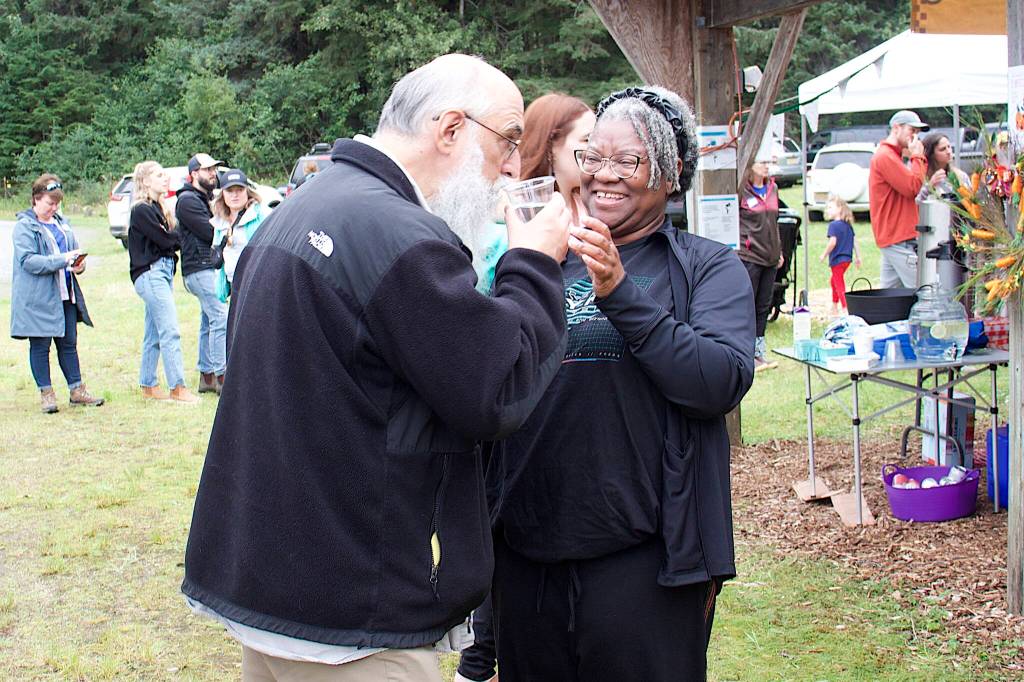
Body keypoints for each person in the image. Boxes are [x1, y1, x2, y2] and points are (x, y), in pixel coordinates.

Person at [182, 53, 573, 681]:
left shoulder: (307, 203)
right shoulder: (399, 235)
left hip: (275, 583)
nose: (511, 165)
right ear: (450, 129)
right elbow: (497, 387)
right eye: (507, 140)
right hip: (354, 617)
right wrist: (534, 263)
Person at [485, 86, 754, 682]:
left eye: (627, 161)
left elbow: (718, 382)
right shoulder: (543, 259)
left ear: (670, 172)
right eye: (591, 157)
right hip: (528, 557)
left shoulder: (705, 266)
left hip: (645, 563)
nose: (603, 176)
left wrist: (620, 293)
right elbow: (492, 386)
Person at [10, 174, 104, 413]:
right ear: (35, 199)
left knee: (69, 344)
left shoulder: (62, 223)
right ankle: (47, 394)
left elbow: (71, 254)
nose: (54, 207)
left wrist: (78, 265)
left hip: (66, 294)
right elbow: (28, 261)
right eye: (49, 203)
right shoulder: (25, 226)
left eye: (56, 203)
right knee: (40, 346)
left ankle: (77, 390)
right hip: (39, 298)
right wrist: (61, 261)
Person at [128, 161, 199, 405]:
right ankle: (178, 387)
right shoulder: (142, 210)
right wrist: (174, 237)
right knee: (170, 330)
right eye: (159, 175)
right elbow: (167, 239)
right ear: (145, 181)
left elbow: (171, 237)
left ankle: (148, 383)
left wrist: (172, 237)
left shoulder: (160, 209)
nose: (165, 179)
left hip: (161, 272)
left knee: (154, 333)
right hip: (151, 273)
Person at [175, 152, 227, 394]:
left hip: (204, 266)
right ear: (194, 173)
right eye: (207, 170)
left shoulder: (201, 198)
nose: (212, 174)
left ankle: (206, 376)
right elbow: (210, 233)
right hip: (199, 267)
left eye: (214, 170)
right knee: (220, 316)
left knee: (208, 319)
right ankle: (222, 375)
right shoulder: (187, 200)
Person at [868, 110, 932, 288]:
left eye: (917, 133)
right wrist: (917, 157)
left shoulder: (891, 155)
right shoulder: (885, 156)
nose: (915, 137)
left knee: (891, 296)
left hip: (894, 236)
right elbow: (912, 187)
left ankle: (883, 316)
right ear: (896, 128)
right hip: (898, 237)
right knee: (924, 289)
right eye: (912, 130)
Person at [519, 92, 596, 225]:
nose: (597, 150)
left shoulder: (589, 206)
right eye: (587, 139)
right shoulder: (520, 213)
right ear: (550, 145)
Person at [738, 154, 783, 372]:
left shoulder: (773, 188)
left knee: (763, 306)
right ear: (751, 165)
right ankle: (744, 353)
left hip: (771, 256)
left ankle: (758, 352)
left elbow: (775, 222)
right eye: (762, 162)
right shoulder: (742, 190)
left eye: (768, 163)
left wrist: (780, 249)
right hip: (749, 256)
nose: (766, 167)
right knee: (747, 303)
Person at [210, 169, 271, 305]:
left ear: (247, 191)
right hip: (234, 285)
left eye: (239, 190)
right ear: (223, 194)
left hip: (258, 285)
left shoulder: (262, 215)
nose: (235, 195)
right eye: (230, 191)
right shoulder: (219, 222)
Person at [820, 196, 861, 315]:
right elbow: (854, 241)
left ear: (839, 209)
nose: (828, 209)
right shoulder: (847, 225)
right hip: (847, 259)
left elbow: (832, 242)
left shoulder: (833, 225)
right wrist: (858, 257)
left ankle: (845, 308)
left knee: (839, 283)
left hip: (837, 260)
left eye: (831, 207)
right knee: (834, 281)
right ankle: (834, 305)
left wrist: (824, 254)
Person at [917, 132, 970, 202]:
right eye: (942, 149)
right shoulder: (920, 178)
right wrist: (929, 186)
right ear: (931, 154)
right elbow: (915, 203)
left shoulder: (961, 176)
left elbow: (972, 203)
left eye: (949, 147)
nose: (948, 152)